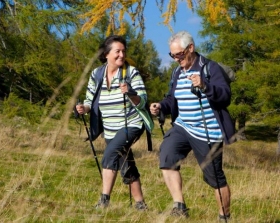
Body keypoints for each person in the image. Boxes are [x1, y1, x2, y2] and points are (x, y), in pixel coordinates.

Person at [149, 31, 235, 221]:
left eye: (179, 54)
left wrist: (205, 86)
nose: (176, 59)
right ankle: (179, 206)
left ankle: (224, 217)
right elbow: (172, 99)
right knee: (167, 156)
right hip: (182, 126)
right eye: (172, 55)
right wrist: (161, 106)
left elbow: (225, 96)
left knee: (214, 176)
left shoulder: (209, 68)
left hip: (207, 130)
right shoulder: (177, 72)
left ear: (191, 48)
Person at [76, 35, 148, 210]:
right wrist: (83, 108)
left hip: (131, 124)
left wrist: (131, 93)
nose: (122, 55)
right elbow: (89, 99)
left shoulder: (131, 73)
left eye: (123, 51)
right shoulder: (97, 73)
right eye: (118, 51)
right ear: (106, 54)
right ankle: (140, 204)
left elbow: (143, 100)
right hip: (109, 128)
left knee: (110, 154)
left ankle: (104, 200)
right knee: (125, 163)